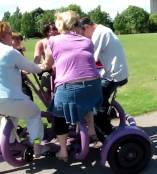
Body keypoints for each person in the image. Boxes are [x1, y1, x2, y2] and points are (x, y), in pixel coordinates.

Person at [39, 11, 102, 161]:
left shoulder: (53, 41)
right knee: (86, 100)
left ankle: (63, 151)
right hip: (94, 87)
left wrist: (39, 66)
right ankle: (92, 131)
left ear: (60, 24)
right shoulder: (87, 41)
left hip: (69, 89)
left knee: (58, 114)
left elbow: (47, 64)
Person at [0, 21, 44, 157]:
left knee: (9, 117)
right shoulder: (9, 52)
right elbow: (32, 68)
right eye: (9, 33)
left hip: (4, 101)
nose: (11, 36)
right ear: (4, 35)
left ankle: (9, 144)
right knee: (35, 113)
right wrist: (44, 66)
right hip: (9, 98)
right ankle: (37, 146)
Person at [79, 17, 128, 135]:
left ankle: (108, 135)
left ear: (87, 27)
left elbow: (91, 58)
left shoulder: (99, 34)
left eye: (83, 34)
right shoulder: (102, 30)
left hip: (113, 75)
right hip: (113, 73)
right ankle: (107, 114)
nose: (85, 37)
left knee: (96, 105)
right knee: (98, 96)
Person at [11, 32, 33, 101]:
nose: (19, 41)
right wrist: (21, 71)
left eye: (19, 39)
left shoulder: (18, 51)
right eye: (16, 39)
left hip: (21, 81)